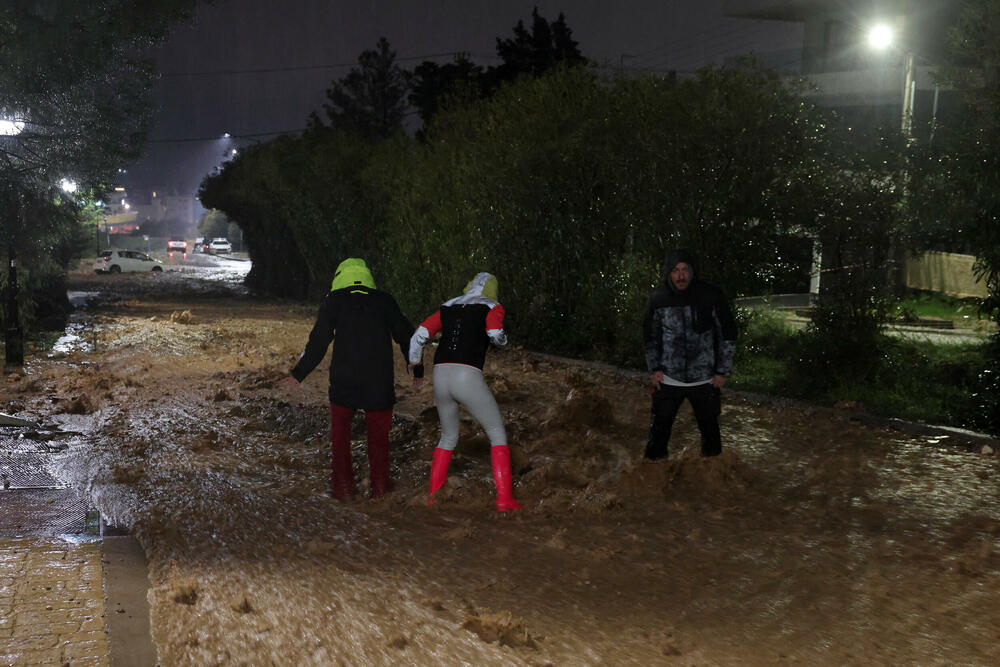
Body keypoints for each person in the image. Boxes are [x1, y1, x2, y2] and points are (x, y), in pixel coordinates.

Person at [280, 258, 419, 501]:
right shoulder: (385, 301)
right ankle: (380, 491)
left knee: (340, 439)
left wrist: (298, 374)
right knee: (379, 441)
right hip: (379, 382)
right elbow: (407, 336)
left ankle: (343, 490)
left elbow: (318, 342)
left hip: (344, 381)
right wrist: (416, 369)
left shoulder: (333, 302)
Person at [408, 272, 523, 511]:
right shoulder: (493, 306)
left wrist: (416, 363)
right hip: (467, 375)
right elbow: (494, 334)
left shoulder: (448, 306)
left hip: (440, 375)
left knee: (448, 436)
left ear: (469, 286)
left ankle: (433, 497)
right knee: (497, 434)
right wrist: (503, 341)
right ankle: (504, 499)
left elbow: (419, 336)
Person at [642, 250, 737, 460]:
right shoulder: (658, 299)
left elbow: (728, 334)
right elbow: (650, 337)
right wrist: (654, 368)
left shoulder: (711, 295)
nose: (681, 276)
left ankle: (712, 483)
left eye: (685, 270)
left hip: (705, 380)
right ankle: (652, 482)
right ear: (669, 273)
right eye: (676, 270)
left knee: (711, 438)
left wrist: (723, 371)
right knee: (657, 437)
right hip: (668, 379)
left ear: (692, 272)